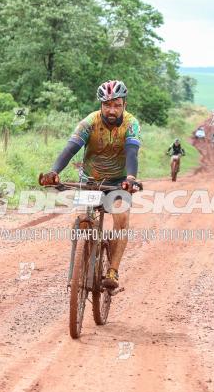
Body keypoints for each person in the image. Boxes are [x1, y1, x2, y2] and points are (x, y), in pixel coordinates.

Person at [40, 80, 141, 289]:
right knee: (80, 221)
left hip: (118, 183)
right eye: (107, 105)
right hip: (89, 180)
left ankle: (112, 271)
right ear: (100, 105)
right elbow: (70, 149)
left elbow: (132, 153)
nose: (112, 110)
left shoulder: (131, 124)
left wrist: (130, 178)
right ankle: (80, 264)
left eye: (117, 105)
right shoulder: (89, 122)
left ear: (124, 105)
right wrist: (54, 172)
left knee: (121, 219)